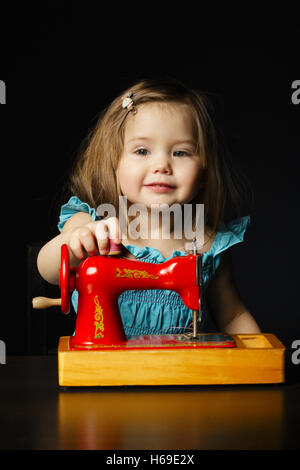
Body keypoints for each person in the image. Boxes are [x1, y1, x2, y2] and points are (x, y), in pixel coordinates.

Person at [37, 79, 261, 337]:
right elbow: (48, 270)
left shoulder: (208, 245)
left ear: (203, 172)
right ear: (115, 163)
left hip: (180, 374)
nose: (162, 165)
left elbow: (233, 316)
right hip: (105, 372)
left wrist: (263, 357)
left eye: (180, 153)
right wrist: (75, 241)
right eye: (142, 150)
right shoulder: (91, 224)